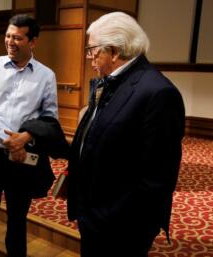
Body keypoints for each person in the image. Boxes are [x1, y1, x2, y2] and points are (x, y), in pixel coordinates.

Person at [67, 12, 185, 257]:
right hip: (93, 213)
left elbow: (157, 178)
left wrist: (106, 217)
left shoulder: (158, 92)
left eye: (92, 50)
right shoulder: (110, 81)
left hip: (120, 227)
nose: (89, 57)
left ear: (114, 51)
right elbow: (95, 140)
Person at [0, 14, 68, 257]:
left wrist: (24, 138)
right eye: (8, 36)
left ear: (32, 41)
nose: (10, 42)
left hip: (23, 159)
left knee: (17, 221)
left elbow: (49, 119)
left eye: (18, 38)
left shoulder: (46, 75)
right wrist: (10, 141)